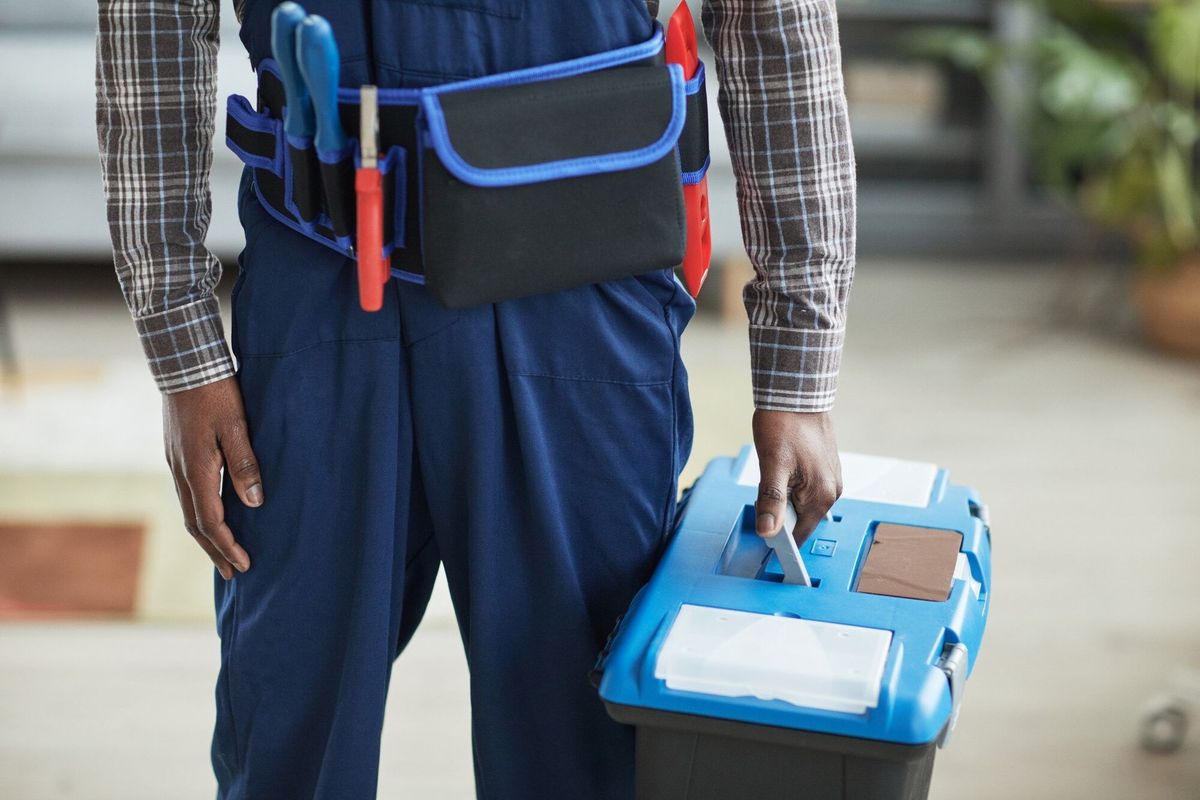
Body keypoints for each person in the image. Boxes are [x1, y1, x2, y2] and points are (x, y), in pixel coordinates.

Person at [95, 0, 855, 797]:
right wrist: (181, 342)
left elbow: (773, 18)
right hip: (324, 282)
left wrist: (798, 369)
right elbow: (152, 15)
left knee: (579, 742)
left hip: (577, 285)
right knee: (291, 730)